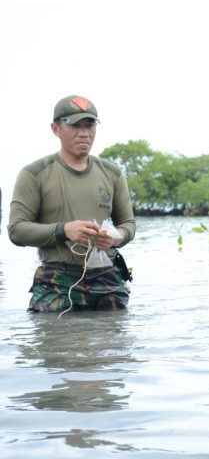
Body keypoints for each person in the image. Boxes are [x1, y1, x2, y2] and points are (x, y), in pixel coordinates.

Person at [8, 95, 136, 312]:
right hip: (56, 282)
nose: (84, 133)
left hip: (107, 280)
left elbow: (128, 224)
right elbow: (16, 230)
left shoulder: (112, 174)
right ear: (55, 129)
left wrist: (117, 237)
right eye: (74, 125)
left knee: (114, 344)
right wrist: (64, 230)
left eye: (89, 125)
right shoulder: (34, 174)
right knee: (58, 342)